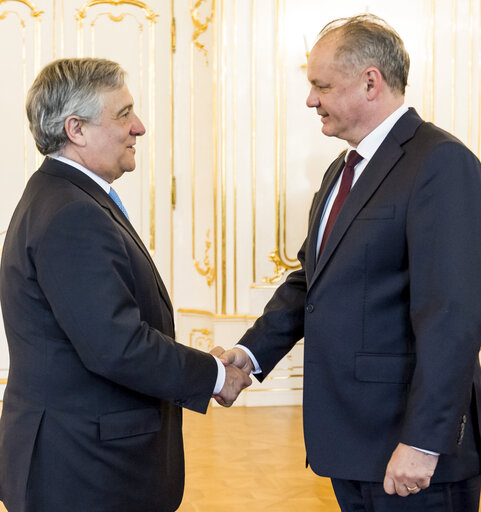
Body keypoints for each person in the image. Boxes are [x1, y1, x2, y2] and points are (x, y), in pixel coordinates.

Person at [214, 14, 481, 512]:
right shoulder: (344, 168)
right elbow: (309, 282)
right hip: (352, 446)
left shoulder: (441, 162)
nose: (311, 100)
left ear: (370, 82)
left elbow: (452, 315)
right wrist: (248, 358)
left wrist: (423, 443)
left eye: (321, 85)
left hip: (412, 454)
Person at [0, 57, 251, 512]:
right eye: (123, 114)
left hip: (77, 460)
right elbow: (116, 345)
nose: (139, 127)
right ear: (76, 129)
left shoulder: (64, 197)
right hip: (85, 469)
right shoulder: (72, 212)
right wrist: (215, 375)